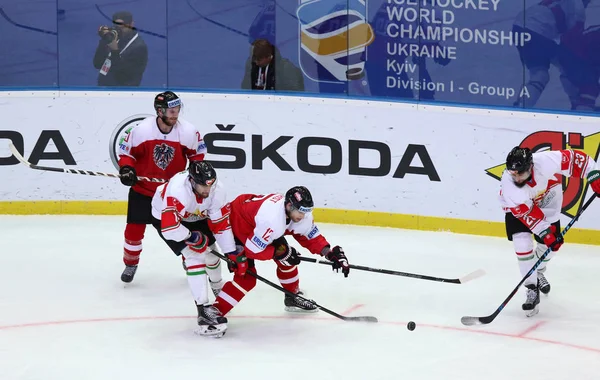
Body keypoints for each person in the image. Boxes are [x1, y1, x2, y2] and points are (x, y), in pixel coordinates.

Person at [212, 186, 350, 318]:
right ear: (289, 206)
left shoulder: (296, 214)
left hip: (256, 224)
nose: (303, 216)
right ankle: (214, 313)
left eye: (306, 211)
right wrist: (278, 253)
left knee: (287, 259)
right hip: (237, 224)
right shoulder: (271, 220)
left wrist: (329, 253)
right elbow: (252, 250)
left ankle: (292, 297)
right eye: (300, 212)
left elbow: (308, 235)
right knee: (247, 278)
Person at [499, 146, 599, 317]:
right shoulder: (510, 188)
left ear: (530, 166)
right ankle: (531, 287)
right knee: (522, 245)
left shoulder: (544, 162)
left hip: (547, 198)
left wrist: (595, 176)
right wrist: (544, 231)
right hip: (519, 209)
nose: (515, 176)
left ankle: (538, 271)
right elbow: (526, 214)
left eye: (519, 173)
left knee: (552, 246)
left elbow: (577, 160)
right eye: (512, 173)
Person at [118, 91, 207, 283]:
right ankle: (130, 264)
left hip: (172, 193)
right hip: (143, 190)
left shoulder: (188, 131)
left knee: (181, 229)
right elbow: (127, 154)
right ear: (160, 111)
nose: (175, 114)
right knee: (134, 230)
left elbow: (197, 158)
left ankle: (189, 260)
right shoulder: (142, 130)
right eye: (171, 110)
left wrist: (194, 175)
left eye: (177, 110)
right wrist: (127, 169)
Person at [150, 161, 234, 337]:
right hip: (168, 220)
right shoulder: (178, 190)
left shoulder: (217, 190)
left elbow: (220, 226)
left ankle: (217, 286)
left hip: (196, 217)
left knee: (212, 254)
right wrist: (190, 237)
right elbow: (169, 227)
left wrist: (231, 252)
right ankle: (203, 310)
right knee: (194, 256)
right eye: (203, 185)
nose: (207, 190)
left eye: (210, 185)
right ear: (192, 180)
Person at [93, 11, 148, 86]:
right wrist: (104, 40)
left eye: (122, 26)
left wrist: (114, 51)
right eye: (117, 26)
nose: (119, 30)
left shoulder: (138, 47)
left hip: (123, 92)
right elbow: (97, 64)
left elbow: (123, 76)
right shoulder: (114, 38)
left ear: (131, 24)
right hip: (104, 89)